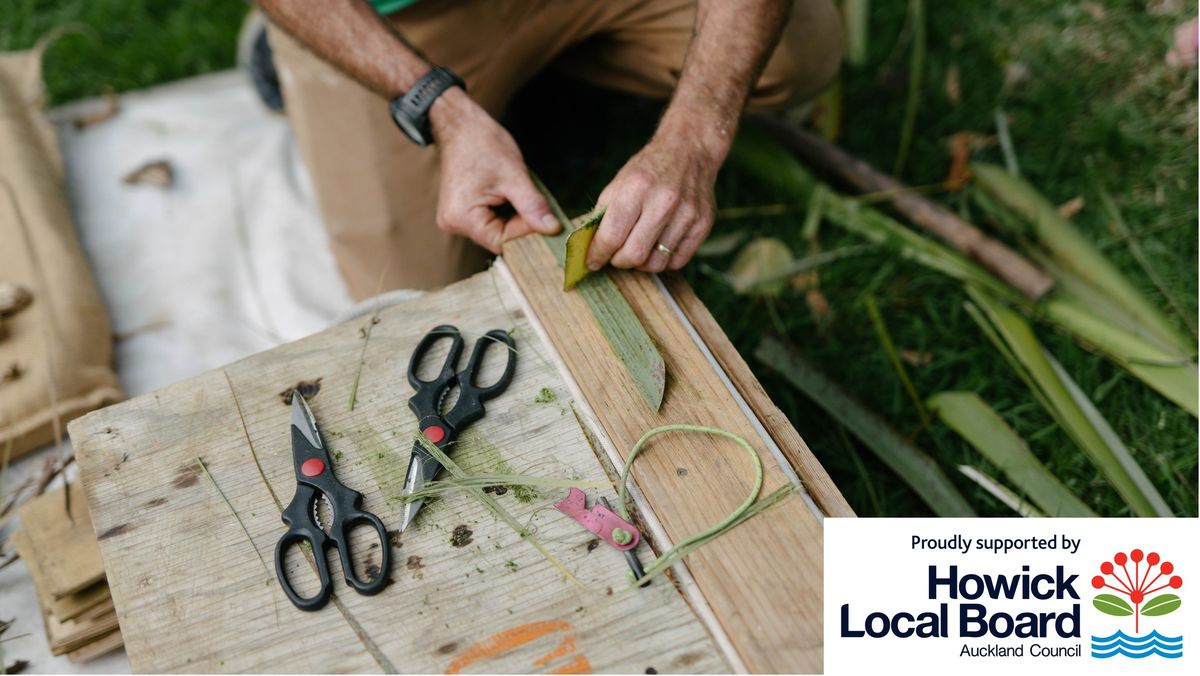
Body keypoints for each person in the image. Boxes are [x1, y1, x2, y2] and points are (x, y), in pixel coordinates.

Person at [255, 0, 843, 299]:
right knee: (411, 293)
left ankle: (543, 65)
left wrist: (693, 137)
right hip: (400, 16)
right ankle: (298, 46)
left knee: (797, 50)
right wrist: (439, 105)